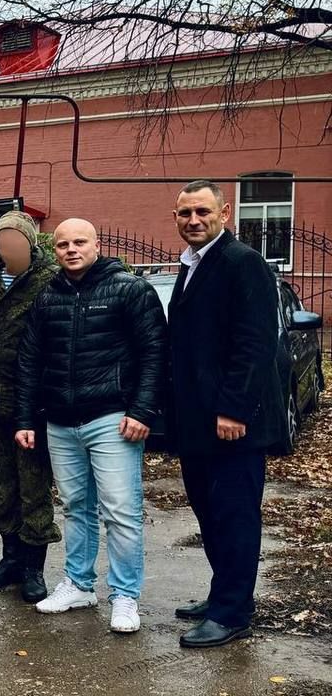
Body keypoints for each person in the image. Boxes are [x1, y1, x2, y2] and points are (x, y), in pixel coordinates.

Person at [15, 219, 166, 633]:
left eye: (79, 242)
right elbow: (30, 361)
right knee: (76, 507)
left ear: (97, 244)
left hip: (112, 419)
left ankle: (124, 596)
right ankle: (79, 585)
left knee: (121, 512)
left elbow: (154, 354)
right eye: (62, 244)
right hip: (61, 423)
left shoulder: (130, 289)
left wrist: (142, 412)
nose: (71, 249)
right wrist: (26, 419)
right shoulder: (47, 297)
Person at [167, 180, 285, 648]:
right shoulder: (192, 264)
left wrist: (235, 408)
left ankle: (233, 611)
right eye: (184, 213)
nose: (193, 220)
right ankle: (224, 594)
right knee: (210, 512)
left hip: (233, 424)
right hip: (198, 421)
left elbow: (255, 344)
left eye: (202, 211)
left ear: (225, 212)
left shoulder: (243, 263)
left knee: (234, 516)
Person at [0, 211, 60, 604]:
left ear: (31, 242)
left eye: (16, 241)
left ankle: (33, 569)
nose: (9, 247)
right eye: (2, 241)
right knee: (3, 488)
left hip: (30, 406)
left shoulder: (50, 281)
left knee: (33, 489)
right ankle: (10, 560)